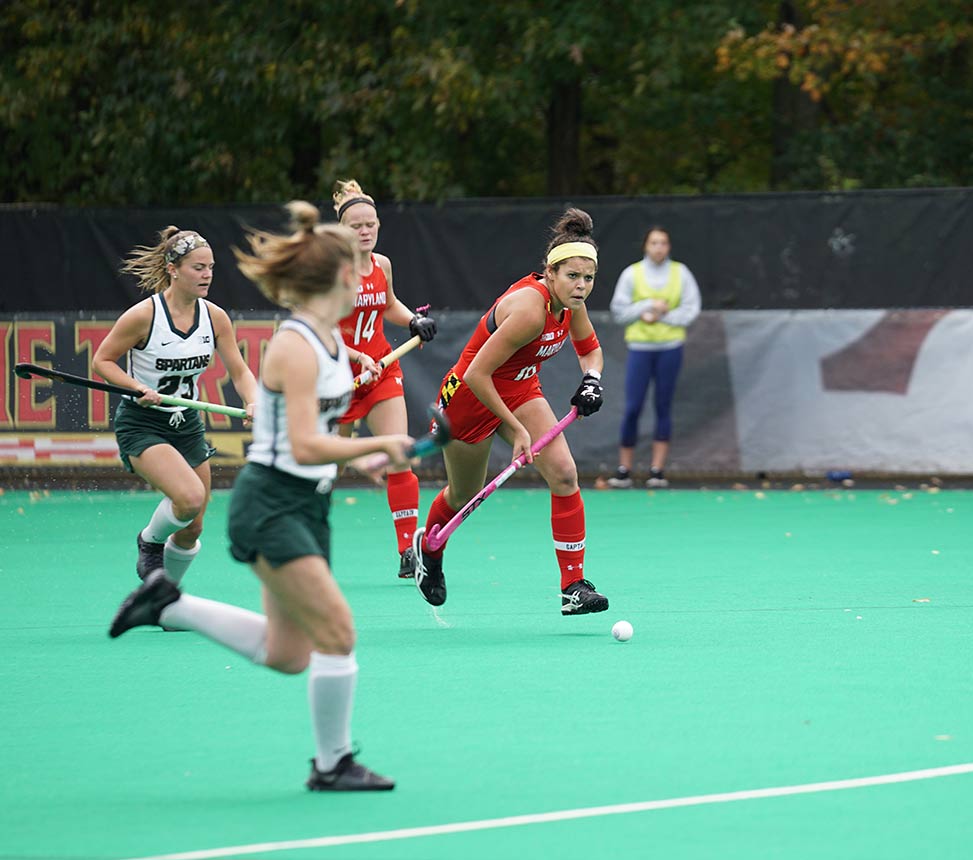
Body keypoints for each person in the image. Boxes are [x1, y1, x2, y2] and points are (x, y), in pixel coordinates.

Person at [109, 201, 414, 791]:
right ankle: (332, 764)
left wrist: (372, 459)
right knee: (339, 631)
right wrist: (377, 445)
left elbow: (315, 438)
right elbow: (303, 443)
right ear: (338, 278)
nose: (366, 280)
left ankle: (169, 604)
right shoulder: (297, 345)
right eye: (356, 270)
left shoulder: (330, 341)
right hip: (272, 504)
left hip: (305, 504)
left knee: (289, 653)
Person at [411, 207, 608, 616]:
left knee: (565, 474)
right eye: (573, 276)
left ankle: (573, 585)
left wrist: (592, 379)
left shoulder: (572, 305)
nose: (581, 285)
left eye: (588, 278)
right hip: (469, 397)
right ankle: (428, 549)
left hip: (519, 388)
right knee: (464, 492)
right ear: (550, 273)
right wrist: (518, 429)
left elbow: (590, 350)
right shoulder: (528, 312)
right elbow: (478, 374)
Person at [93, 227, 257, 585]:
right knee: (188, 497)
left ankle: (164, 598)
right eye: (198, 267)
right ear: (173, 268)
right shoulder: (143, 316)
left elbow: (240, 370)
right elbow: (102, 362)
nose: (207, 275)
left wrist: (253, 399)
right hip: (142, 423)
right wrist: (136, 387)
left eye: (210, 267)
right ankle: (149, 541)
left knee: (192, 526)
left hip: (187, 425)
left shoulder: (215, 318)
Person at [331, 179, 437, 580]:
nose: (365, 230)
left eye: (371, 223)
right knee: (329, 470)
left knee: (399, 453)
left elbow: (388, 304)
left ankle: (407, 549)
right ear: (341, 230)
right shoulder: (331, 273)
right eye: (356, 225)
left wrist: (413, 319)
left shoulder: (383, 265)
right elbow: (320, 329)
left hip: (381, 368)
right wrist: (357, 357)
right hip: (337, 379)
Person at [606, 226, 701, 489]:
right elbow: (620, 311)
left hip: (670, 348)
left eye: (663, 243)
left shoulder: (681, 273)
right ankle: (624, 469)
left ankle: (656, 470)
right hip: (640, 349)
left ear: (668, 246)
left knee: (663, 406)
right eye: (654, 242)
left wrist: (663, 316)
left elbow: (691, 308)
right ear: (646, 246)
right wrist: (646, 307)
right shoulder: (631, 274)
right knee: (633, 407)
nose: (658, 247)